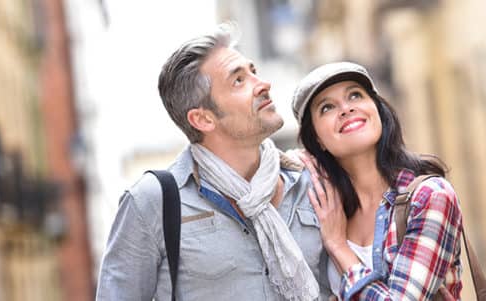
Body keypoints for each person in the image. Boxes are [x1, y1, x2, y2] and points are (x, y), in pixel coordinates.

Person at [96, 23, 331, 301]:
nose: (262, 84)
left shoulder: (311, 183)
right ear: (203, 119)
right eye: (238, 81)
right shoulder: (152, 203)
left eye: (253, 72)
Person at [291, 62, 464, 300]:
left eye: (355, 95)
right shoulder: (322, 210)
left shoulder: (430, 196)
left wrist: (339, 246)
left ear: (377, 111)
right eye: (327, 107)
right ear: (317, 139)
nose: (345, 109)